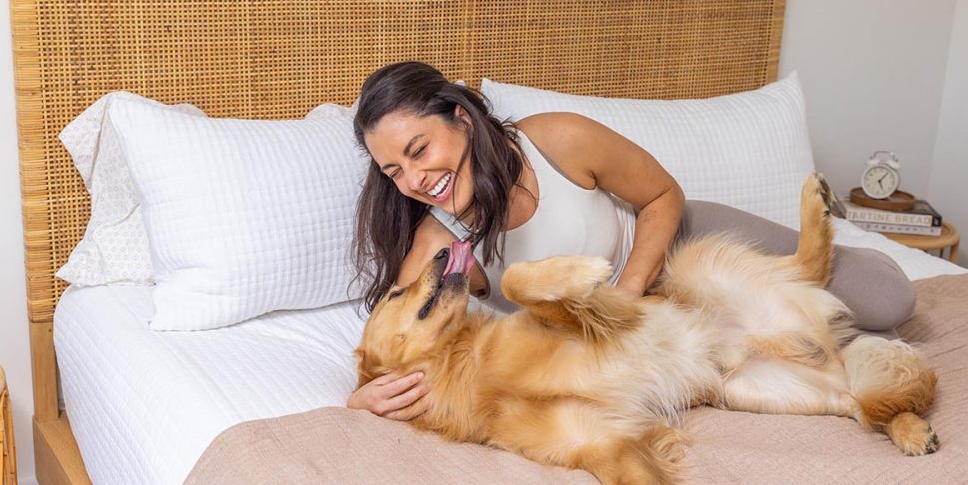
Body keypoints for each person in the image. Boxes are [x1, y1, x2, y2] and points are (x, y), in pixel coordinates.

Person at [345, 61, 915, 420]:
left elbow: (663, 195)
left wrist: (632, 289)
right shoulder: (439, 238)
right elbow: (397, 340)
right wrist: (359, 397)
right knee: (811, 342)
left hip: (677, 240)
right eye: (393, 171)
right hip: (647, 329)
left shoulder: (555, 139)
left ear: (460, 119)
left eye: (418, 150)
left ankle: (816, 254)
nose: (415, 180)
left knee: (888, 302)